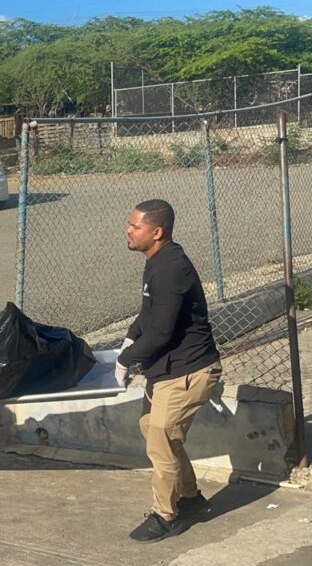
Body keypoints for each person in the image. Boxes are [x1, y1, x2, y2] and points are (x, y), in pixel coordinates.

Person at [116, 199, 223, 543]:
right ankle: (191, 499)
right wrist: (130, 337)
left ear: (156, 232)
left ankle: (166, 515)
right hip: (168, 370)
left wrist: (126, 359)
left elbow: (161, 331)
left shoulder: (170, 267)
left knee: (160, 442)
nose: (128, 230)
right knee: (154, 430)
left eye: (135, 226)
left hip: (189, 372)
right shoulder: (157, 261)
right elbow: (151, 311)